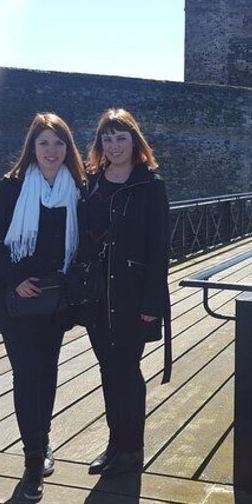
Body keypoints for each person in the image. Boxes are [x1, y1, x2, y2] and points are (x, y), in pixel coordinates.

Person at [0, 112, 86, 502]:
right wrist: (15, 279)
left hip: (56, 300)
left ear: (67, 148)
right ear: (32, 147)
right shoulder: (11, 186)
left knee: (47, 373)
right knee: (27, 375)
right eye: (44, 143)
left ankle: (42, 443)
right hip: (18, 299)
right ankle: (32, 461)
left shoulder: (75, 186)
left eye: (58, 143)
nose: (51, 150)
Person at [83, 108, 172, 478]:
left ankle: (132, 449)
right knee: (108, 369)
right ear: (100, 143)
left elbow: (159, 247)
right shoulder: (92, 181)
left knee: (127, 369)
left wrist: (153, 302)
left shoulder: (150, 185)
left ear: (135, 142)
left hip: (132, 294)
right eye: (107, 137)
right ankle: (114, 443)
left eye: (121, 137)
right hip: (95, 294)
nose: (114, 145)